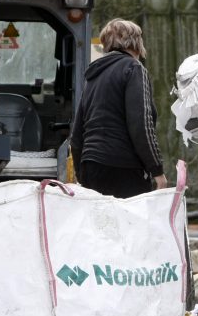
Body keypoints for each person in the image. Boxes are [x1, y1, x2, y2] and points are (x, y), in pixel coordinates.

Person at [69, 18, 166, 197]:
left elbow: (76, 135)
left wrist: (81, 173)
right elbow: (141, 125)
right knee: (130, 223)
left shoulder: (92, 76)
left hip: (91, 167)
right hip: (124, 168)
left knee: (97, 224)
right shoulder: (134, 68)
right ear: (136, 42)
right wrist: (157, 170)